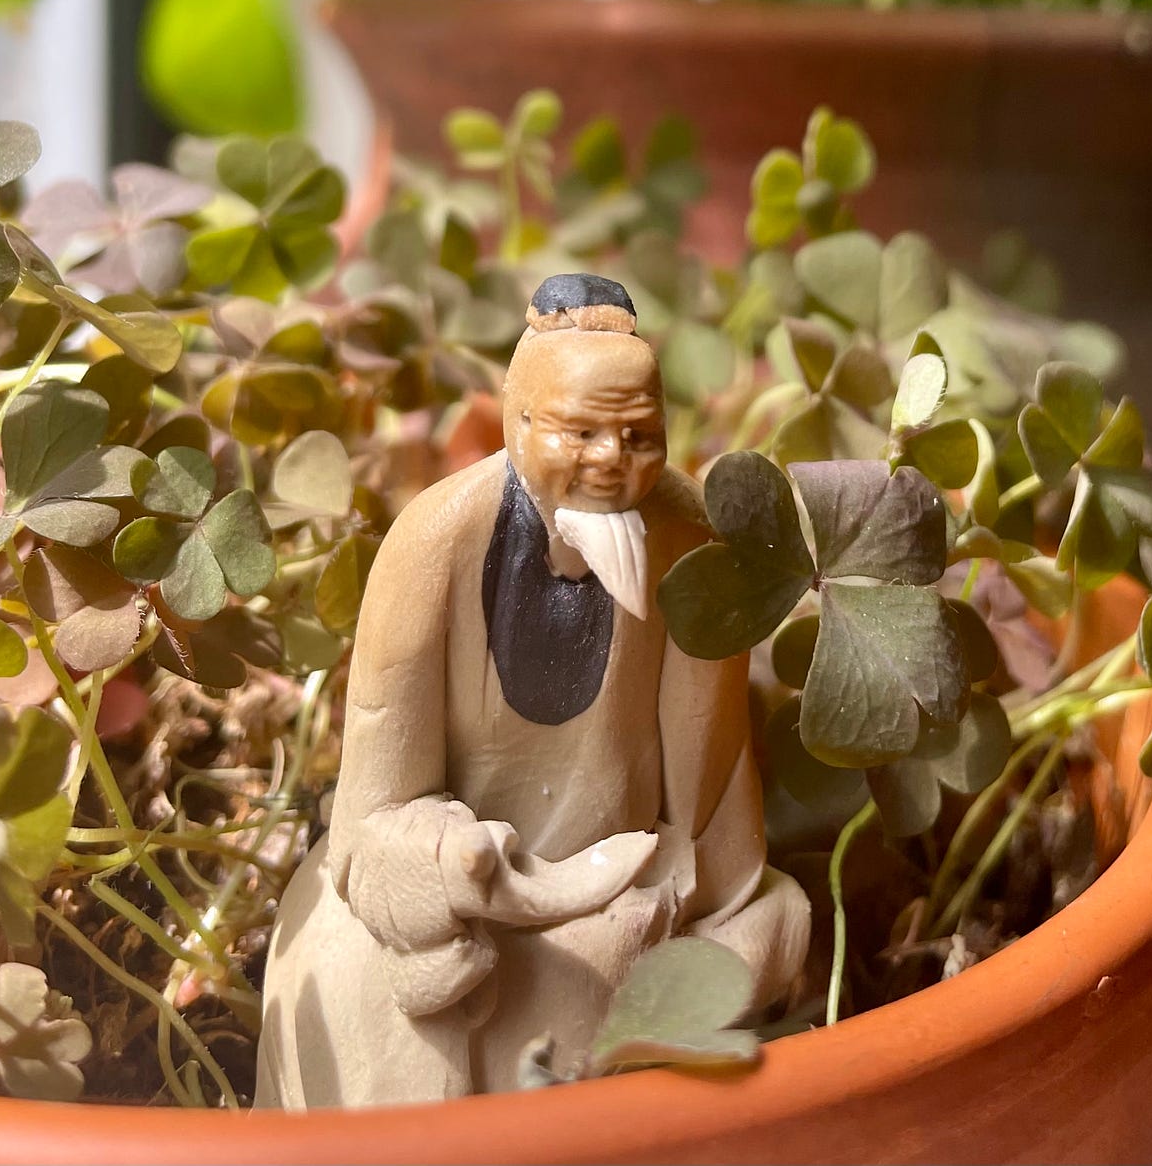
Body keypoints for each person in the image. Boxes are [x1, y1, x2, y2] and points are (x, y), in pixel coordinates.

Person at [256, 273, 808, 1107]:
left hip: (623, 897)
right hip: (452, 896)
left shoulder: (687, 540)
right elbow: (368, 820)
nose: (612, 466)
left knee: (718, 952)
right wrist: (456, 874)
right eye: (578, 432)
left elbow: (715, 796)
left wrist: (696, 909)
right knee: (356, 989)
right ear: (517, 425)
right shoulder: (430, 547)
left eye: (639, 437)